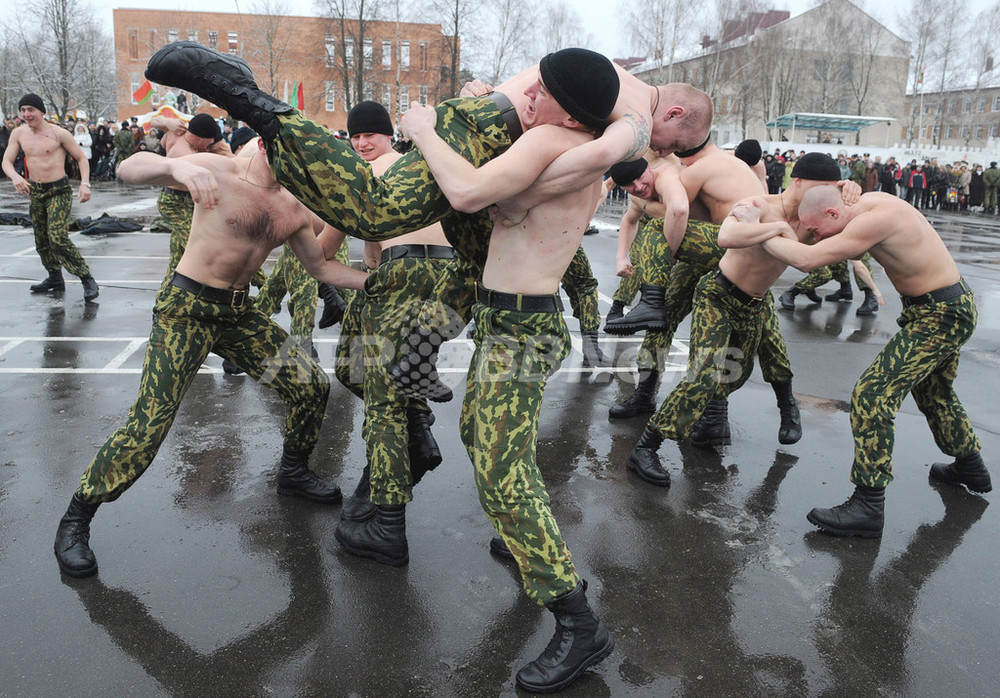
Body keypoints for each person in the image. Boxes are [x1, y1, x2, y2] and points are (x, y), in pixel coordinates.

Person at [52, 140, 369, 579]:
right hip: (186, 311)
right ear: (263, 144)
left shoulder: (292, 208)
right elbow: (128, 167)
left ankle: (293, 471)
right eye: (290, 154)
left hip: (237, 315)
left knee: (310, 385)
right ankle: (76, 519)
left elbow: (321, 268)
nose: (298, 165)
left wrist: (371, 282)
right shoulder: (215, 170)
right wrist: (175, 169)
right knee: (149, 426)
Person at [385, 94, 615, 694]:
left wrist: (424, 131)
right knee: (486, 444)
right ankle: (525, 539)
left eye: (542, 94)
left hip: (520, 327)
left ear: (570, 110)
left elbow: (465, 194)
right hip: (510, 321)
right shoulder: (577, 149)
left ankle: (577, 621)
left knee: (500, 468)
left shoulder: (550, 142)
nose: (528, 100)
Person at [144, 41, 712, 247]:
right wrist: (524, 191)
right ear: (676, 113)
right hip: (481, 138)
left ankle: (411, 389)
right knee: (374, 210)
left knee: (471, 256)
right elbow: (605, 156)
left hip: (480, 120)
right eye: (675, 143)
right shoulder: (637, 111)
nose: (665, 153)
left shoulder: (605, 68)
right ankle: (244, 95)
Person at [760, 186, 991, 538]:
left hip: (941, 315)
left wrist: (759, 233)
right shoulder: (861, 203)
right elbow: (824, 206)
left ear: (834, 215)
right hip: (939, 308)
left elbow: (806, 259)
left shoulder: (874, 220)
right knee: (934, 392)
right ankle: (970, 467)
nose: (812, 236)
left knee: (872, 395)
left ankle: (868, 504)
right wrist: (841, 186)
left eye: (816, 230)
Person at [624, 153, 853, 486]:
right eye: (824, 187)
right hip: (717, 296)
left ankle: (710, 424)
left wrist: (853, 190)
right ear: (799, 182)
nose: (829, 195)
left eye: (834, 189)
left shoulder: (815, 219)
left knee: (734, 376)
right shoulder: (759, 204)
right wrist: (774, 228)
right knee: (703, 374)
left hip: (753, 304)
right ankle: (647, 448)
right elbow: (725, 237)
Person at [332, 100, 453, 548]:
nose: (362, 143)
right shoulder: (424, 164)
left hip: (404, 274)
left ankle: (388, 526)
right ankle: (418, 426)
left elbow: (338, 248)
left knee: (381, 398)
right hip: (446, 280)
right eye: (356, 135)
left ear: (389, 135)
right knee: (356, 370)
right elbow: (372, 247)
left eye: (370, 135)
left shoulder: (368, 174)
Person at [2, 94, 99, 301]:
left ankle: (85, 277)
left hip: (58, 190)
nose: (27, 114)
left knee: (57, 237)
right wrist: (15, 176)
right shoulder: (18, 133)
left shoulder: (59, 133)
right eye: (23, 110)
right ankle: (55, 277)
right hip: (35, 192)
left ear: (41, 112)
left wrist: (85, 183)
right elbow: (7, 162)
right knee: (42, 239)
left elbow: (81, 157)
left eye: (31, 110)